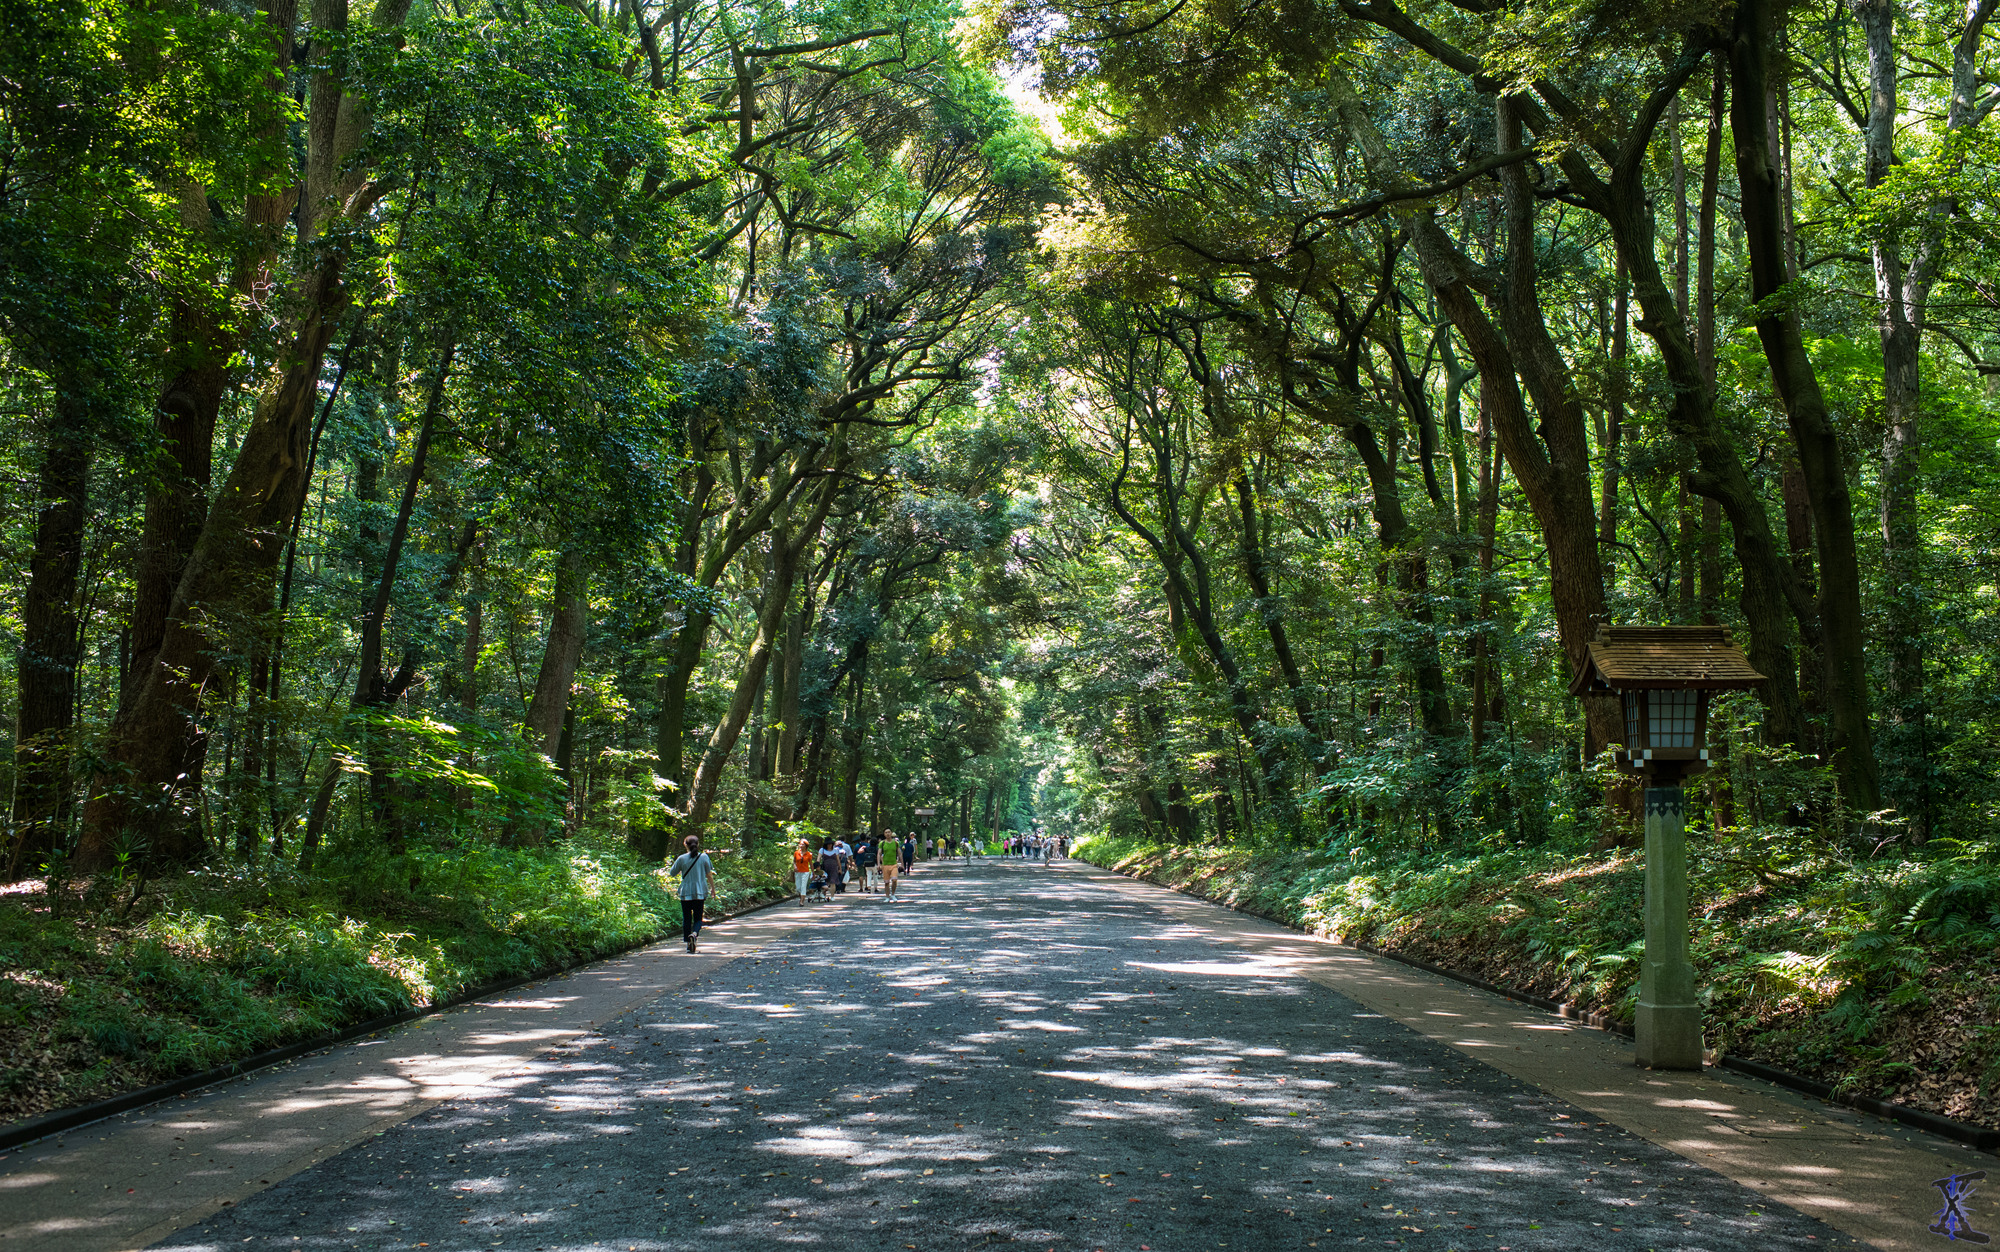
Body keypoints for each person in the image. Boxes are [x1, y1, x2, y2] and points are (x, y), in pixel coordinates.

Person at [668, 835, 715, 953]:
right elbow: (709, 874)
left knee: (687, 918)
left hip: (685, 892)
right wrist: (713, 889)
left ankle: (688, 944)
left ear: (685, 845)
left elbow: (672, 873)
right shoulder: (704, 857)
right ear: (697, 845)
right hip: (700, 892)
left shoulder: (681, 858)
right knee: (698, 918)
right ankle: (694, 934)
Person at [792, 838, 813, 903]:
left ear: (806, 846)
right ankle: (801, 897)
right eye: (800, 844)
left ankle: (802, 901)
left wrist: (813, 872)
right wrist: (795, 867)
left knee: (803, 886)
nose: (801, 846)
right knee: (798, 888)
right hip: (798, 872)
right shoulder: (796, 853)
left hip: (805, 872)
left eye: (802, 844)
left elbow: (811, 864)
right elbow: (794, 861)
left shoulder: (809, 854)